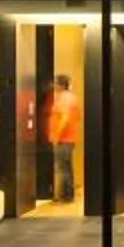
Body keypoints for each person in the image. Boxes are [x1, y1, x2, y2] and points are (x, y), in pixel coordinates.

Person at [42, 71, 81, 204]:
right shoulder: (69, 97)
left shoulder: (65, 99)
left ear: (60, 85)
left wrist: (57, 136)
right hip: (68, 139)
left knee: (62, 168)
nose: (52, 85)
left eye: (55, 83)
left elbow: (64, 118)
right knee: (66, 167)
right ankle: (68, 195)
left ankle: (65, 197)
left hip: (63, 139)